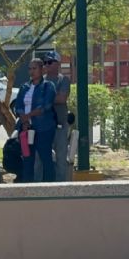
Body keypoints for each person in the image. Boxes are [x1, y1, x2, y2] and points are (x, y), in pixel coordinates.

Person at [14, 58, 57, 183]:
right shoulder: (24, 87)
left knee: (45, 158)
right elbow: (18, 105)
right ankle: (27, 187)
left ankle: (50, 187)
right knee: (27, 159)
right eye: (30, 68)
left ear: (42, 69)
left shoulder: (48, 86)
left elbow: (45, 106)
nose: (32, 71)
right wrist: (24, 120)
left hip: (44, 128)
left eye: (35, 68)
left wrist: (29, 115)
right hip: (26, 129)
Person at [43, 51, 72, 182]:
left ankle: (62, 186)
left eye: (50, 62)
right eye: (45, 62)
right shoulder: (40, 80)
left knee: (61, 158)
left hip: (60, 125)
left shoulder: (64, 80)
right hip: (43, 126)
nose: (46, 65)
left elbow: (61, 98)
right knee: (42, 158)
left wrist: (44, 98)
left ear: (58, 64)